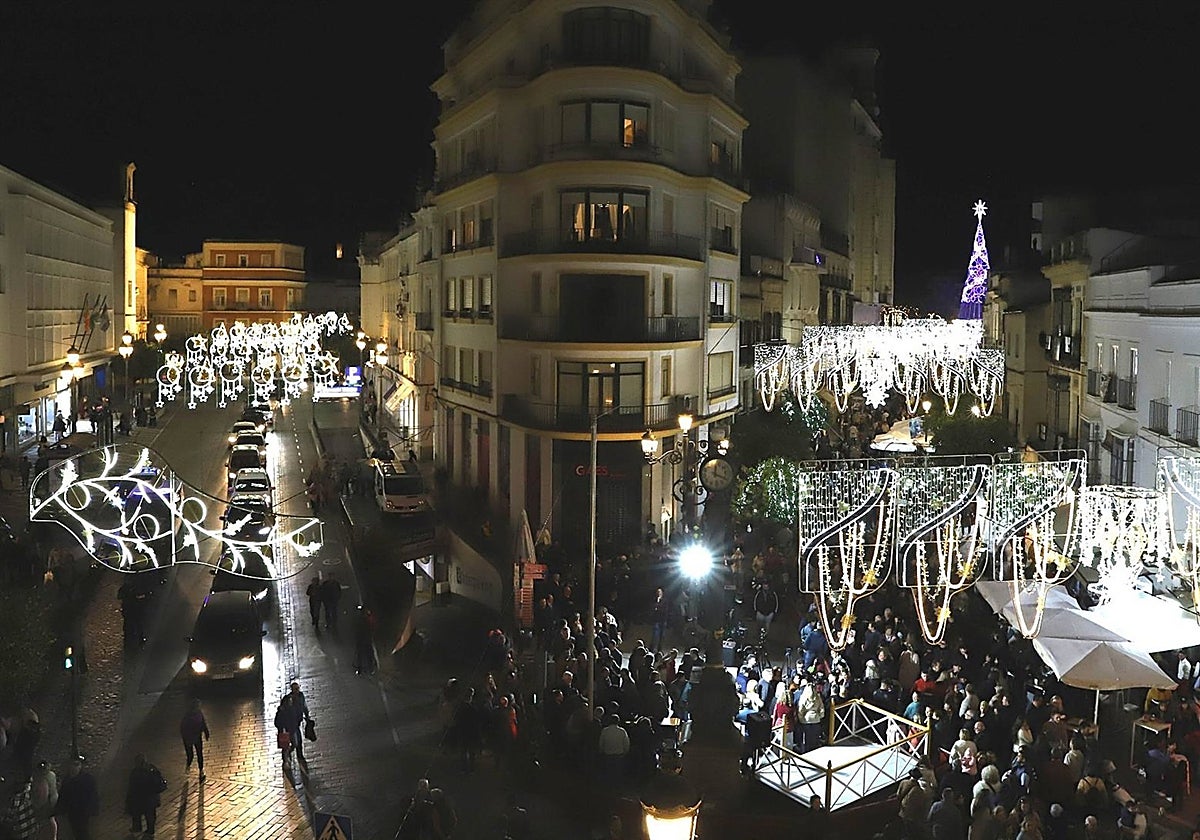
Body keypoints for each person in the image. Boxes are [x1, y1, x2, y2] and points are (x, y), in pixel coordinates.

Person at [56, 757, 98, 840]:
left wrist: (92, 809)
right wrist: (60, 809)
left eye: (76, 765)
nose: (74, 767)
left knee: (83, 832)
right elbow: (63, 795)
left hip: (83, 811)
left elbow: (93, 795)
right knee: (75, 832)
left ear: (80, 766)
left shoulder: (88, 779)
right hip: (72, 811)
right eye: (72, 764)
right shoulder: (67, 780)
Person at [125, 754, 165, 836]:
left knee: (137, 813)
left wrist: (129, 799)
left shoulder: (136, 772)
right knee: (150, 815)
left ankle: (137, 828)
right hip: (151, 798)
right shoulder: (152, 768)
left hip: (140, 798)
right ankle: (150, 830)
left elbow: (132, 787)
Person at [274, 682, 312, 766]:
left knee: (297, 742)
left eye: (298, 688)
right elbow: (281, 712)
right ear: (292, 689)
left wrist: (307, 716)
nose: (297, 690)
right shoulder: (287, 699)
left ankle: (298, 755)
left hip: (296, 724)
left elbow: (304, 706)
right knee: (287, 743)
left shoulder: (301, 696)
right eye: (295, 689)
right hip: (289, 725)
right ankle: (285, 759)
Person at [180, 698, 211, 781]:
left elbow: (203, 723)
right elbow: (183, 729)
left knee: (199, 754)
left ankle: (201, 771)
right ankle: (188, 766)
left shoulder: (199, 714)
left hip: (197, 737)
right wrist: (186, 739)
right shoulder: (187, 716)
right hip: (189, 738)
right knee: (190, 755)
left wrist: (206, 732)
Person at [353, 604, 378, 675]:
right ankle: (369, 668)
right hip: (365, 637)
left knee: (364, 653)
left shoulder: (363, 618)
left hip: (363, 638)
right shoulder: (367, 617)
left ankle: (365, 668)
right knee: (366, 653)